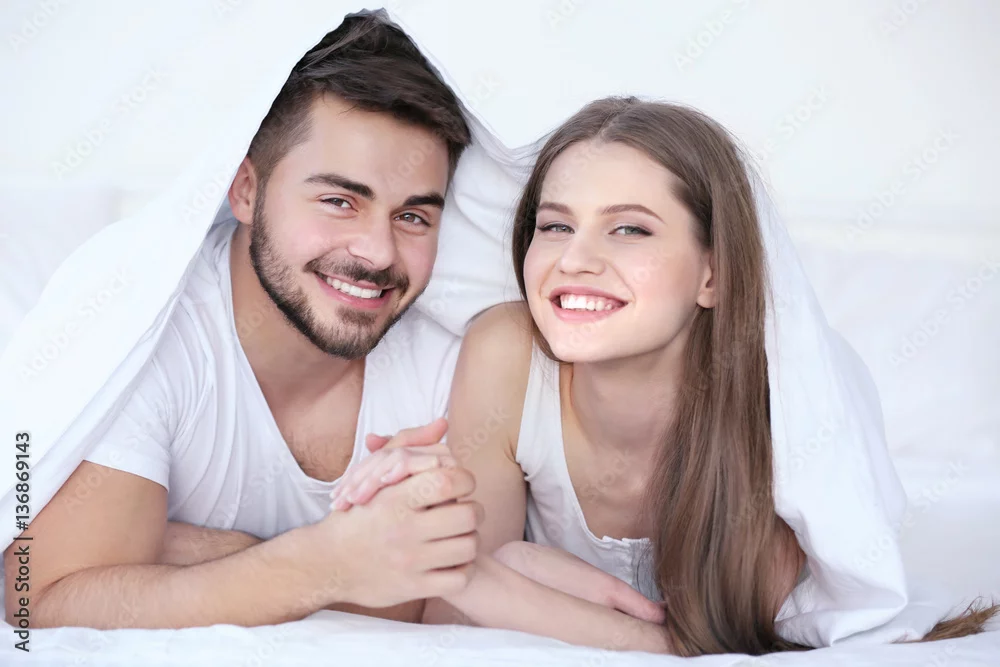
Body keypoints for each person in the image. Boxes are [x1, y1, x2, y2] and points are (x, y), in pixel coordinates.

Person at [333, 96, 998, 654]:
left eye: (629, 230)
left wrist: (507, 577)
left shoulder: (787, 396)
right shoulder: (507, 351)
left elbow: (726, 641)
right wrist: (467, 549)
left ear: (713, 274)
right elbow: (456, 618)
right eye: (555, 225)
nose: (575, 260)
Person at [3, 12, 490, 629]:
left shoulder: (450, 360)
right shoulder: (144, 334)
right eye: (339, 201)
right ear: (245, 192)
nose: (378, 253)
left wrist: (185, 547)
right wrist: (326, 564)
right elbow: (38, 597)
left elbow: (446, 601)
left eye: (413, 217)